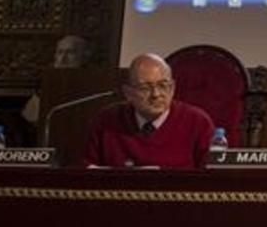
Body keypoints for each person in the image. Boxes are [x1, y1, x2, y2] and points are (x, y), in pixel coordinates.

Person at [84, 53, 215, 168]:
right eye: (145, 87)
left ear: (173, 88)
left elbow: (210, 178)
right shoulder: (106, 121)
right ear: (128, 92)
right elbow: (85, 170)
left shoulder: (197, 122)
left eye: (163, 85)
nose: (156, 94)